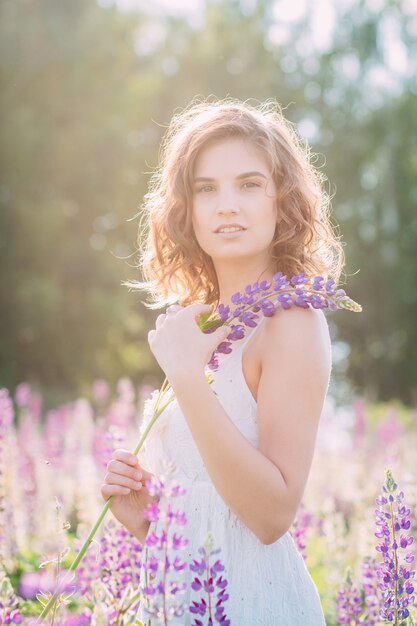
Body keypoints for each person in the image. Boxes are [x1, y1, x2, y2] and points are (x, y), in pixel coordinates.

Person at [101, 98, 344, 625]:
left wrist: (187, 376)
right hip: (181, 601)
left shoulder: (292, 323)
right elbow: (214, 504)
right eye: (205, 188)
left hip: (257, 606)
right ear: (185, 208)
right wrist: (144, 518)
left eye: (249, 184)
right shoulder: (203, 323)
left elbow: (271, 514)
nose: (226, 205)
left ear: (284, 201)